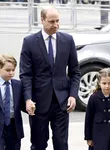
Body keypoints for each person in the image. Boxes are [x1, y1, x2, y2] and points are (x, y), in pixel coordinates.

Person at [19, 6, 80, 150]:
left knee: (61, 144)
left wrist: (73, 95)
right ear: (42, 20)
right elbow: (25, 74)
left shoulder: (67, 40)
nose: (56, 25)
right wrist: (27, 99)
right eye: (52, 21)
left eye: (58, 21)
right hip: (38, 103)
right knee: (38, 144)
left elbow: (75, 72)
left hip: (61, 102)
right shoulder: (29, 42)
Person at [84, 68, 110, 150]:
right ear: (99, 83)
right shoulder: (94, 98)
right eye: (104, 83)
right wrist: (88, 137)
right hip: (98, 136)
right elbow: (88, 118)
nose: (107, 86)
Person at [0, 54, 24, 150]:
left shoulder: (18, 85)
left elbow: (22, 104)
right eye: (8, 70)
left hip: (14, 126)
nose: (11, 73)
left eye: (13, 70)